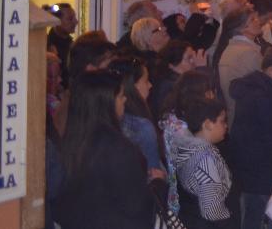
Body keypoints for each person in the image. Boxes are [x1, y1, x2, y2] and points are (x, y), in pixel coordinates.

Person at [56, 71, 157, 229]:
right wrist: (157, 183)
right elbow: (138, 208)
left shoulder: (70, 141)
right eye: (121, 95)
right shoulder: (119, 149)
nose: (125, 100)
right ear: (106, 102)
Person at [230, 47, 272, 229]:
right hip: (264, 174)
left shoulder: (263, 88)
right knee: (262, 217)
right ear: (270, 70)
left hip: (254, 172)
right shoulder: (265, 97)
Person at [170, 95, 239, 228]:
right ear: (207, 124)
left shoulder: (187, 147)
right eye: (222, 121)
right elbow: (212, 211)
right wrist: (229, 219)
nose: (226, 126)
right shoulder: (205, 161)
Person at [110, 55, 166, 180]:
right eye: (146, 81)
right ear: (132, 87)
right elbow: (154, 174)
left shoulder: (107, 119)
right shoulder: (141, 127)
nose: (150, 85)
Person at [217, 9, 264, 121]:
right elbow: (265, 85)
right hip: (249, 118)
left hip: (236, 116)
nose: (259, 21)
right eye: (252, 19)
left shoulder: (231, 49)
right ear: (242, 28)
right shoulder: (247, 53)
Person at [46, 2, 78, 80]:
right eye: (70, 19)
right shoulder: (48, 46)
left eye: (74, 18)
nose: (76, 22)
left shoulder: (72, 44)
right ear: (56, 21)